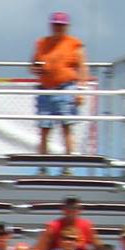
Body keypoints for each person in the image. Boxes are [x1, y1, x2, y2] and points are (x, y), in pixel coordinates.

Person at [31, 12, 88, 157]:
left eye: (61, 25)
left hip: (66, 87)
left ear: (67, 27)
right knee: (44, 128)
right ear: (51, 25)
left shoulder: (74, 44)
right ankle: (42, 166)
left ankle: (68, 165)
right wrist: (37, 68)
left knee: (67, 126)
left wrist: (80, 90)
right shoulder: (42, 43)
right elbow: (33, 65)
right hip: (45, 89)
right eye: (56, 24)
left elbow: (82, 67)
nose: (58, 28)